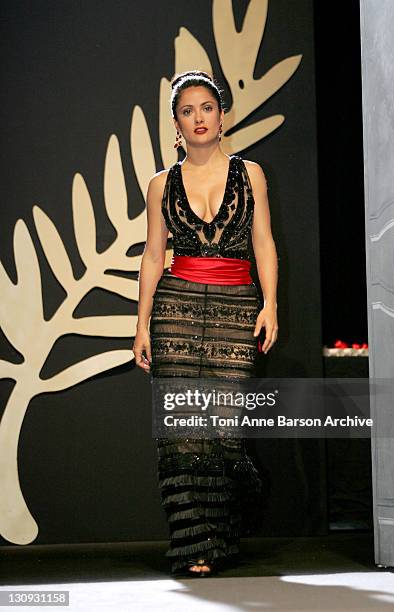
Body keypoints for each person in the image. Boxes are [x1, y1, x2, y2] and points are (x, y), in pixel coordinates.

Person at [133, 70, 278, 577]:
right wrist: (142, 324)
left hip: (236, 307)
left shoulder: (250, 173)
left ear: (222, 116)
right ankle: (195, 546)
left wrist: (271, 303)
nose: (199, 118)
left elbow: (263, 241)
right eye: (188, 111)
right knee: (181, 432)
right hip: (176, 307)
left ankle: (224, 534)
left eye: (207, 108)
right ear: (176, 123)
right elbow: (153, 256)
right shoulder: (160, 185)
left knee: (225, 433)